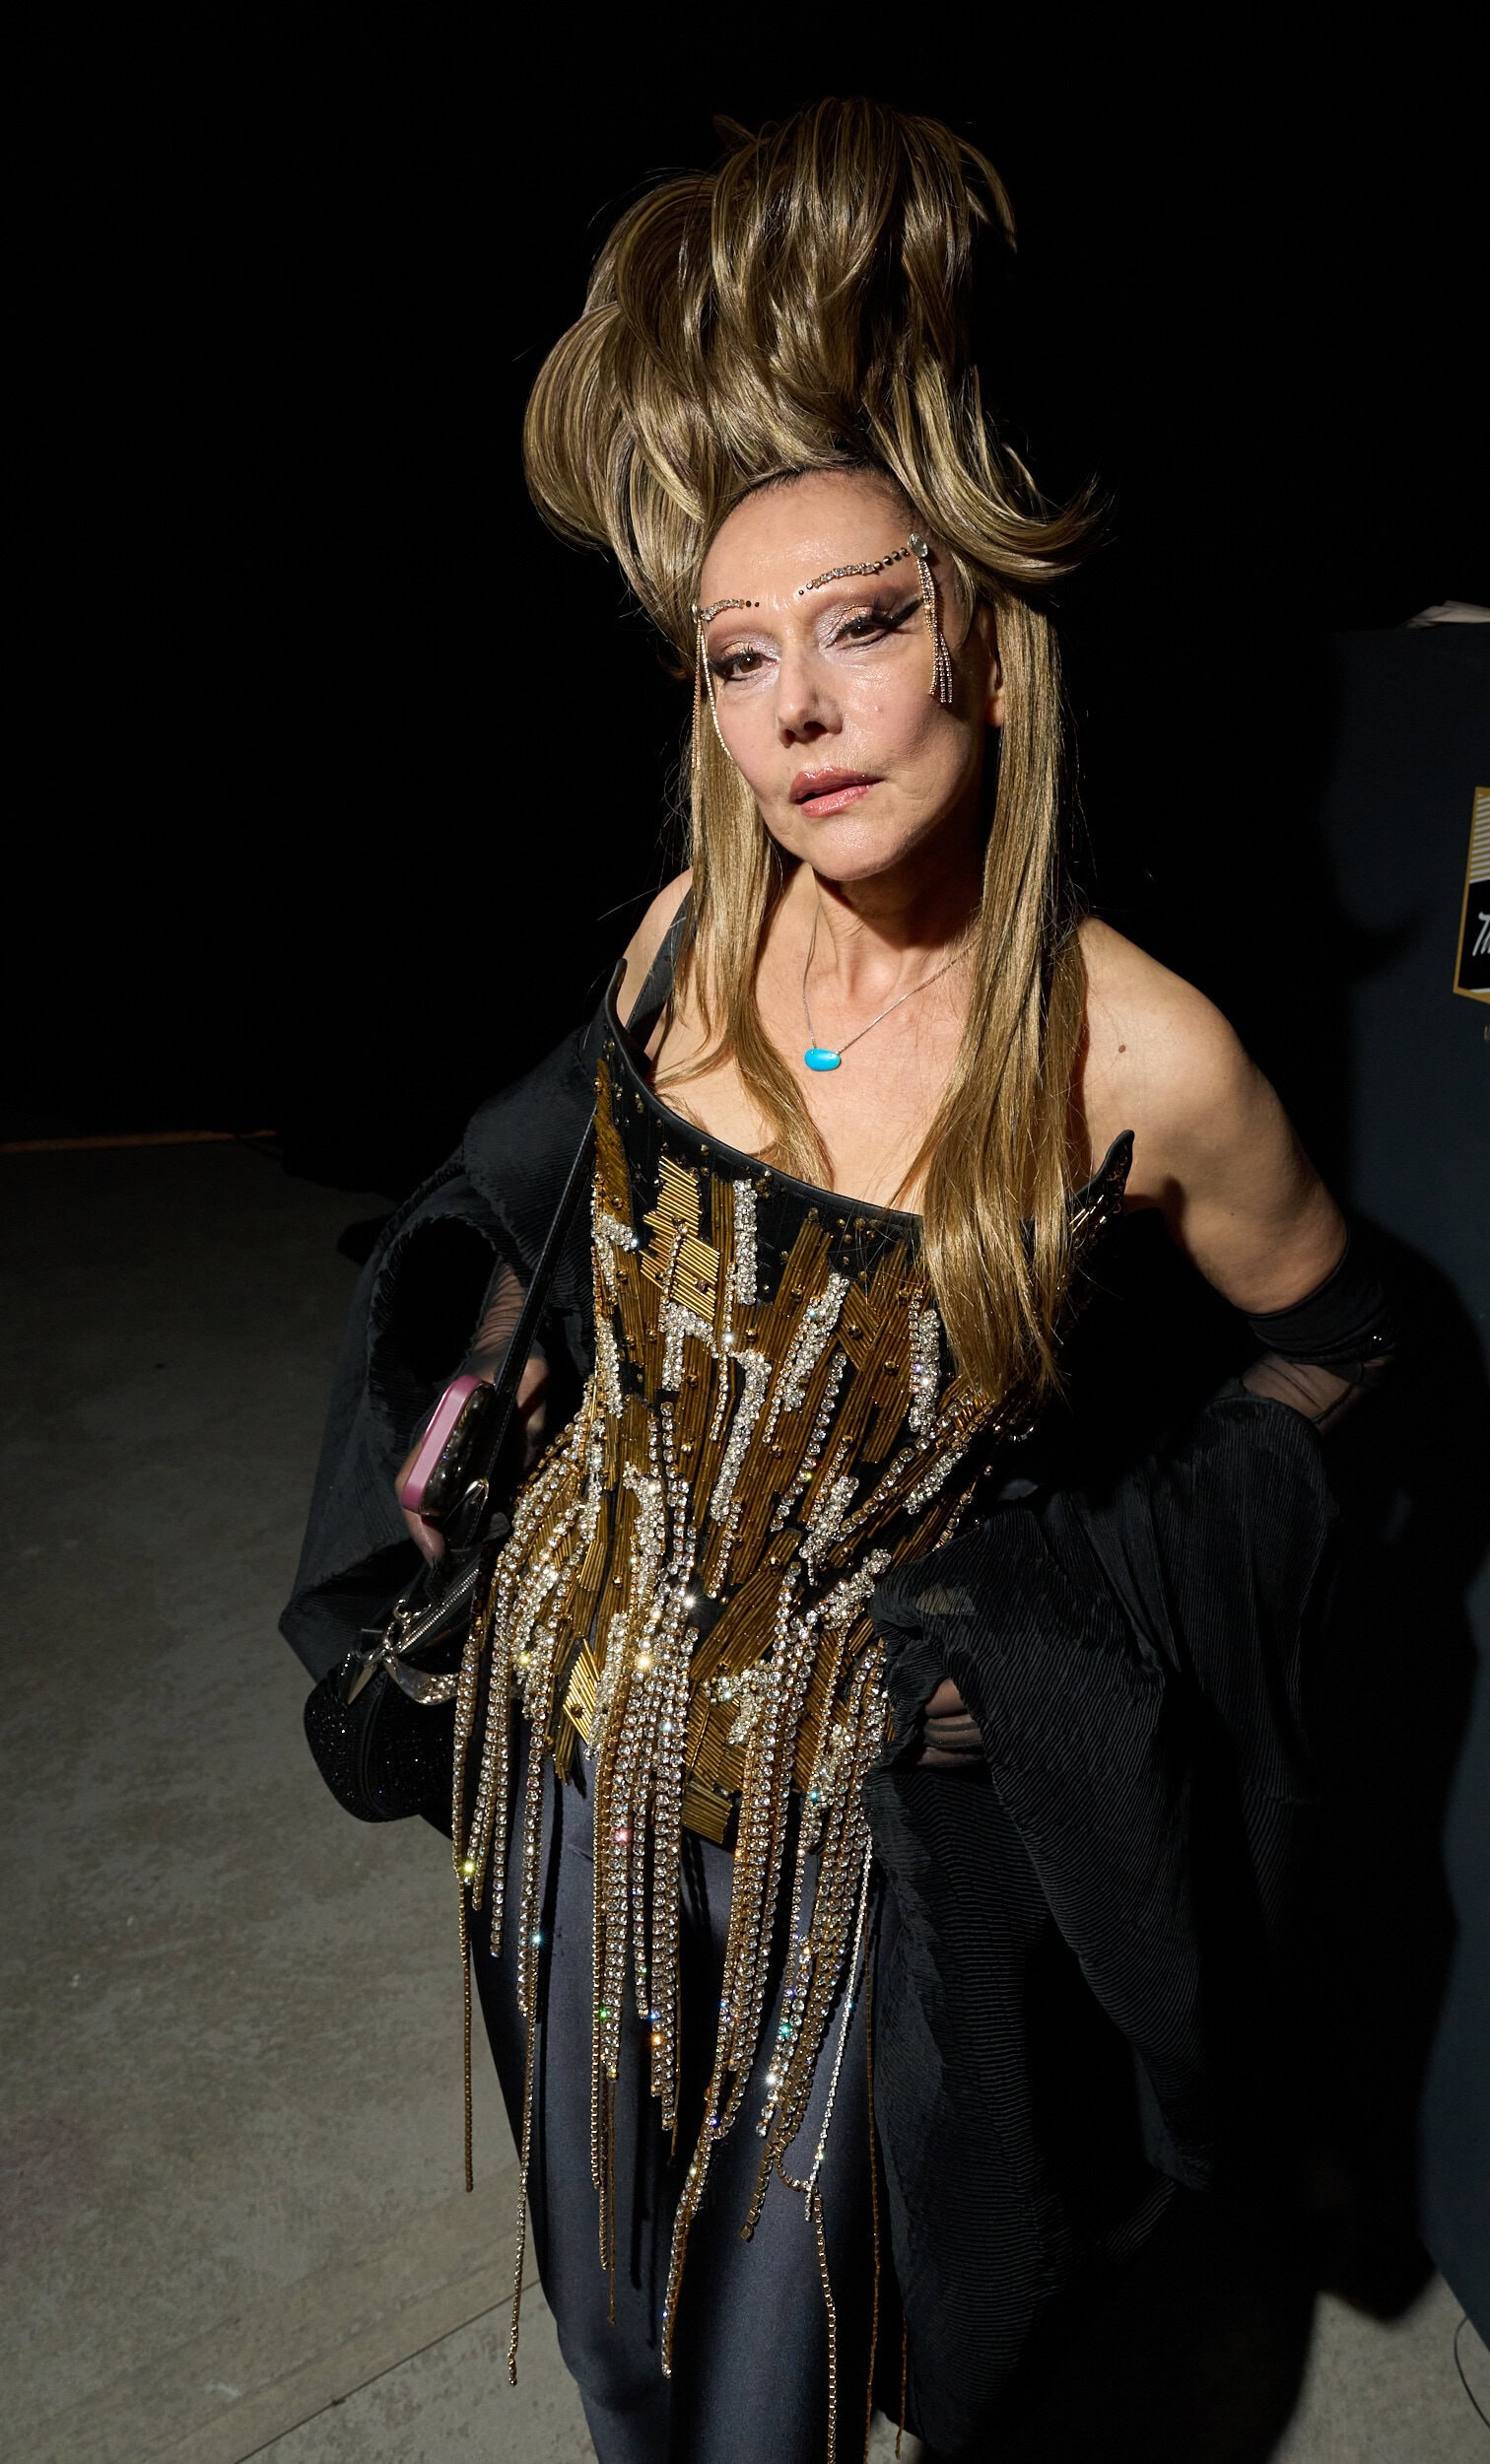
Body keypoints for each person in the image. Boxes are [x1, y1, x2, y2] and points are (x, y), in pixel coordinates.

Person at [283, 99, 1395, 2464]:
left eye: (864, 626)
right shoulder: (685, 932)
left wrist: (1069, 1605)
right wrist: (468, 1437)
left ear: (983, 632)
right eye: (736, 657)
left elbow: (1344, 1347)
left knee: (770, 2393)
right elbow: (537, 1237)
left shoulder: (1143, 1051)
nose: (795, 711)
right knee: (617, 2347)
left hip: (838, 1827)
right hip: (574, 1752)